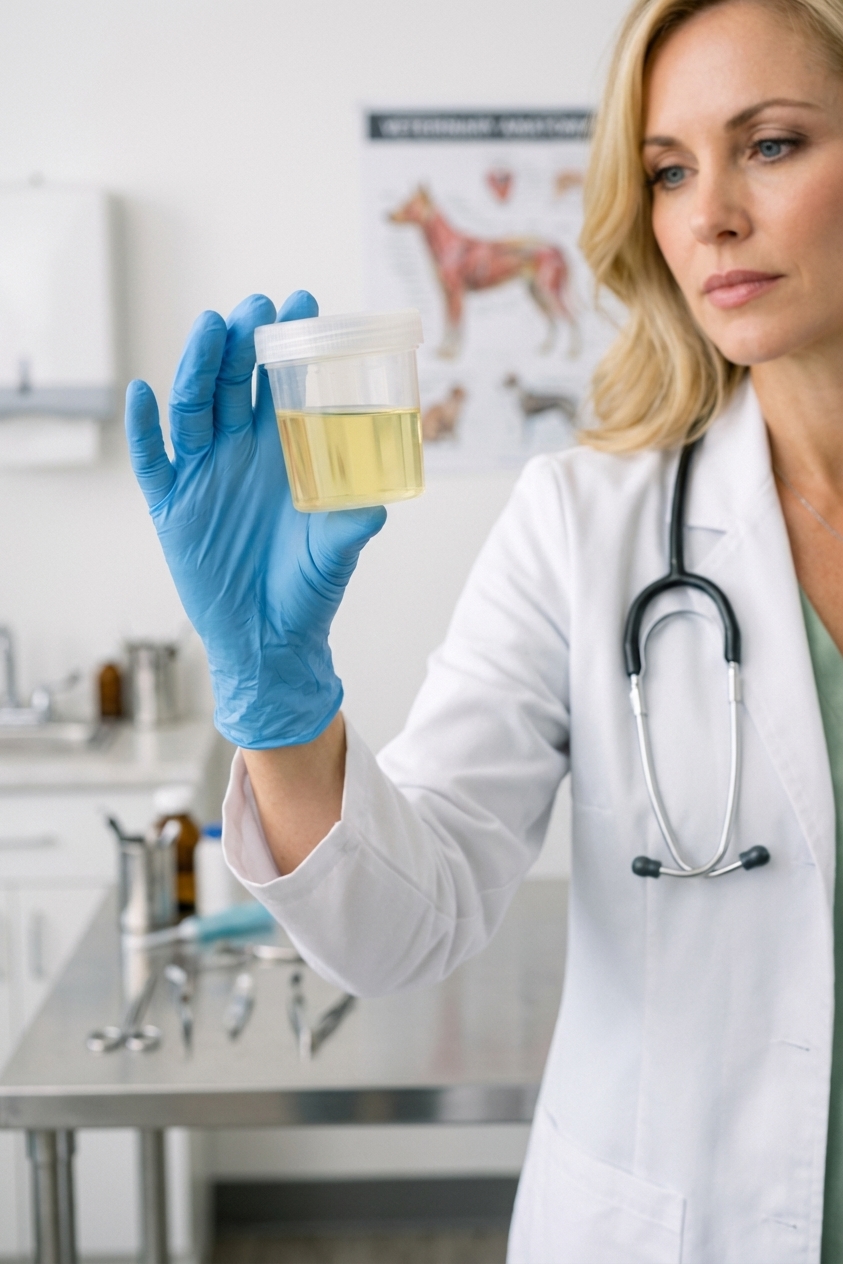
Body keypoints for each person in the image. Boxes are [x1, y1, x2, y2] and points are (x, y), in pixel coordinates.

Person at [125, 0, 843, 1256]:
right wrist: (278, 703)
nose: (710, 211)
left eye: (771, 144)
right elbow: (411, 921)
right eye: (669, 169)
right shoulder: (584, 525)